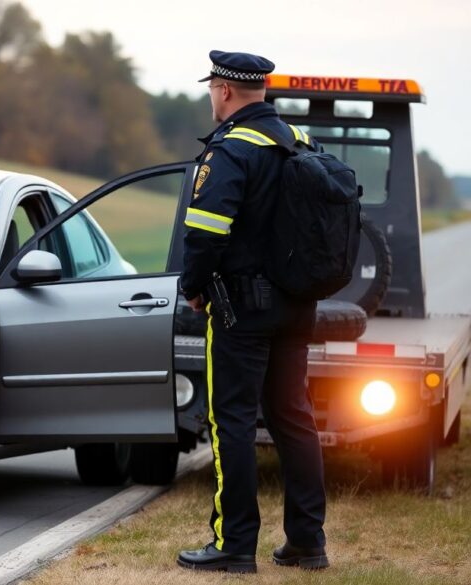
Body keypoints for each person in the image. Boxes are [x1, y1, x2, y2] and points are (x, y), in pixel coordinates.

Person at [176, 51, 328, 573]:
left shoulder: (231, 150)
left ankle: (234, 544)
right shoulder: (300, 142)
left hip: (241, 310)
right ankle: (307, 542)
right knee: (294, 418)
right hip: (298, 306)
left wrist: (194, 287)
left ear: (224, 91)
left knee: (233, 421)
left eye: (211, 89)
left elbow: (205, 232)